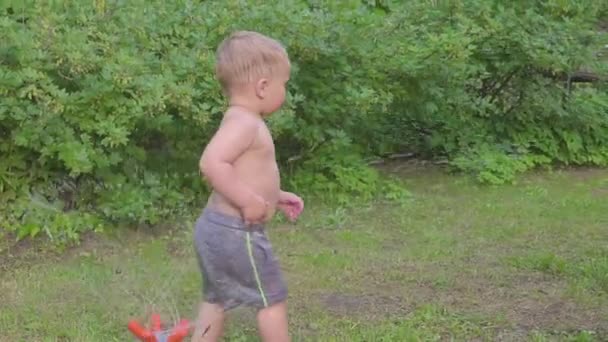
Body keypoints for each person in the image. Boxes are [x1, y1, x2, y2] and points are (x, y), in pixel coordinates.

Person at [191, 31, 304, 342]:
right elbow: (212, 162)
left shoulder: (241, 119)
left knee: (216, 299)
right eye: (284, 84)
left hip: (217, 229)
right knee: (271, 300)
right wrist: (247, 201)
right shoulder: (245, 123)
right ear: (263, 86)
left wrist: (274, 196)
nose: (285, 91)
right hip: (235, 232)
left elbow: (245, 172)